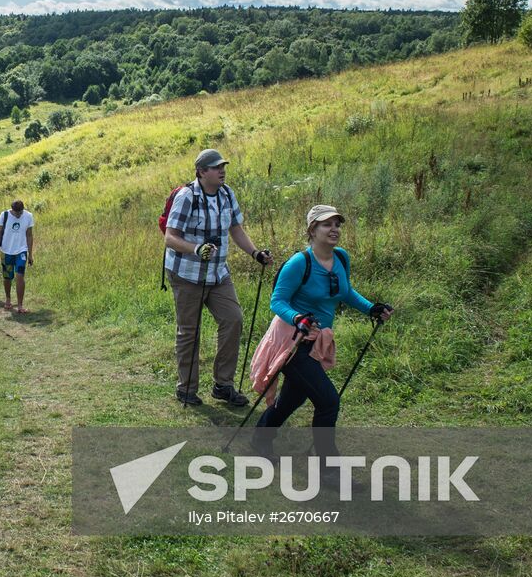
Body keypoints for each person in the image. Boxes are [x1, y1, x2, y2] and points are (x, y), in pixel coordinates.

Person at [250, 204, 393, 458]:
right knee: (328, 401)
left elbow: (345, 291)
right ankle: (329, 468)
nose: (334, 229)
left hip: (316, 340)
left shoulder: (341, 258)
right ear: (312, 229)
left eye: (337, 224)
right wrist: (298, 318)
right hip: (291, 341)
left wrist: (371, 308)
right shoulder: (299, 263)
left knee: (292, 399)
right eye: (327, 224)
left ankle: (261, 437)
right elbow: (277, 301)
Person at [164, 150, 274, 407]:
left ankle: (222, 386)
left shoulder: (226, 194)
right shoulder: (186, 197)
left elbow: (236, 229)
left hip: (218, 274)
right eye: (215, 167)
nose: (222, 170)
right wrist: (196, 248)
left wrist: (255, 253)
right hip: (186, 274)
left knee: (233, 320)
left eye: (223, 166)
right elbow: (170, 237)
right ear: (202, 172)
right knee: (189, 332)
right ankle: (186, 389)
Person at [0, 199, 35, 313]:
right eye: (16, 213)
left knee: (20, 276)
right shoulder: (5, 214)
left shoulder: (28, 216)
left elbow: (29, 235)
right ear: (12, 209)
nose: (18, 215)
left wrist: (30, 254)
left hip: (21, 251)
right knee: (7, 277)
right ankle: (8, 299)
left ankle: (20, 305)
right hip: (6, 251)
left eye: (20, 212)